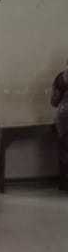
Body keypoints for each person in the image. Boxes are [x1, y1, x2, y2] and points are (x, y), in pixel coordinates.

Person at [51, 61, 68, 190]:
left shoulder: (61, 78)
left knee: (65, 148)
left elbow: (54, 101)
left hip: (64, 117)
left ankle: (65, 182)